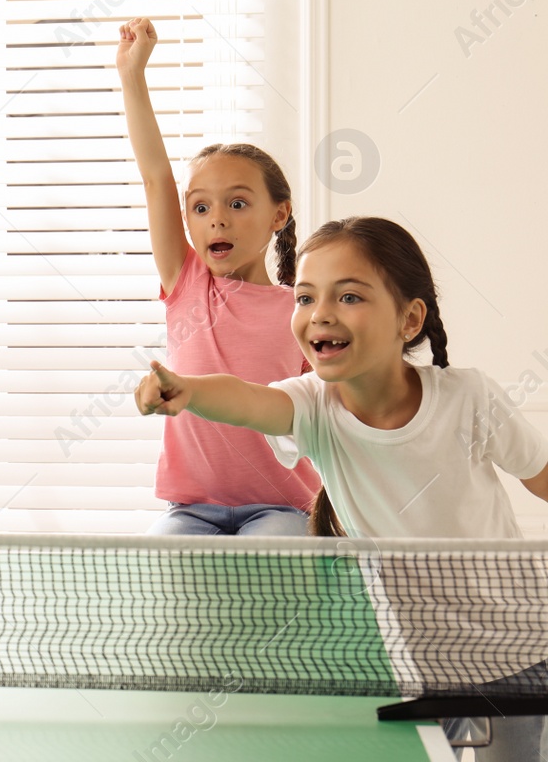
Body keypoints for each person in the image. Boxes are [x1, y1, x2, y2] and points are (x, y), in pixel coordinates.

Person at [137, 216, 548, 760]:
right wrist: (187, 389)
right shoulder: (313, 406)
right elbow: (245, 398)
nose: (320, 314)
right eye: (305, 297)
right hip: (414, 663)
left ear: (409, 319)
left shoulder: (470, 398)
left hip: (514, 650)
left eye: (349, 296)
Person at [116, 17, 322, 535]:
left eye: (236, 203)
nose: (218, 220)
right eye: (201, 208)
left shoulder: (301, 308)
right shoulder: (186, 283)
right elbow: (157, 178)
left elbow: (323, 411)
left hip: (282, 510)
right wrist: (132, 76)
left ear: (279, 215)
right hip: (191, 511)